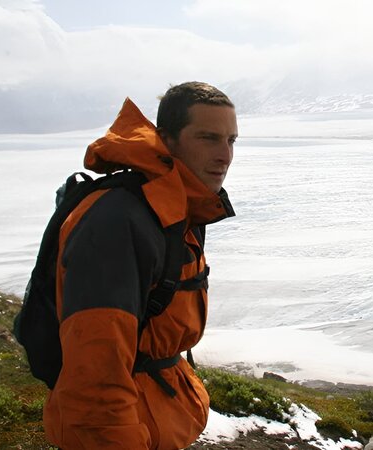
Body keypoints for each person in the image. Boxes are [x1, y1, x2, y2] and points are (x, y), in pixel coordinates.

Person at [43, 82, 237, 449]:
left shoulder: (174, 209)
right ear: (167, 140)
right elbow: (95, 377)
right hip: (124, 427)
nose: (224, 156)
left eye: (231, 141)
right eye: (208, 138)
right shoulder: (118, 222)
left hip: (154, 416)